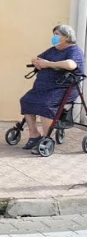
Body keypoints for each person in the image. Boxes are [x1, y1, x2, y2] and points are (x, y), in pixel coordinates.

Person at [20, 25, 84, 153]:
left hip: (64, 88)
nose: (54, 37)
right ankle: (34, 135)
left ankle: (46, 138)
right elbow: (36, 58)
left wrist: (48, 64)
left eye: (57, 34)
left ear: (66, 37)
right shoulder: (53, 50)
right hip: (44, 87)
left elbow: (70, 64)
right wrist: (37, 62)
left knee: (45, 104)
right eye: (54, 33)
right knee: (26, 100)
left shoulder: (74, 50)